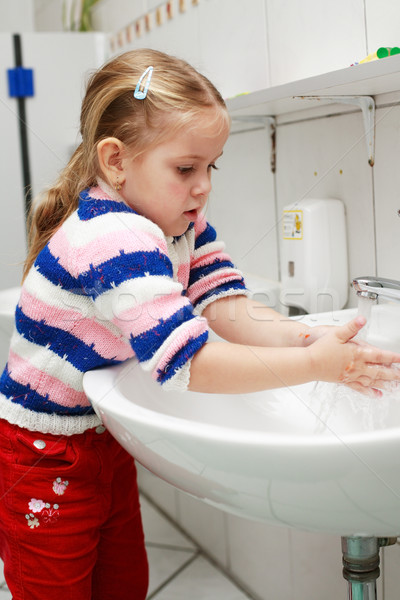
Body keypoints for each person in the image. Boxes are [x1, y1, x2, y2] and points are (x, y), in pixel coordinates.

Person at [0, 48, 399, 600]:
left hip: (99, 441)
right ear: (115, 162)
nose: (203, 185)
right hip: (39, 452)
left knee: (122, 584)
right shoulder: (110, 235)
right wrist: (312, 366)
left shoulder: (179, 223)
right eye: (186, 168)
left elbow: (226, 306)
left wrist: (310, 338)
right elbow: (188, 364)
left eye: (210, 167)